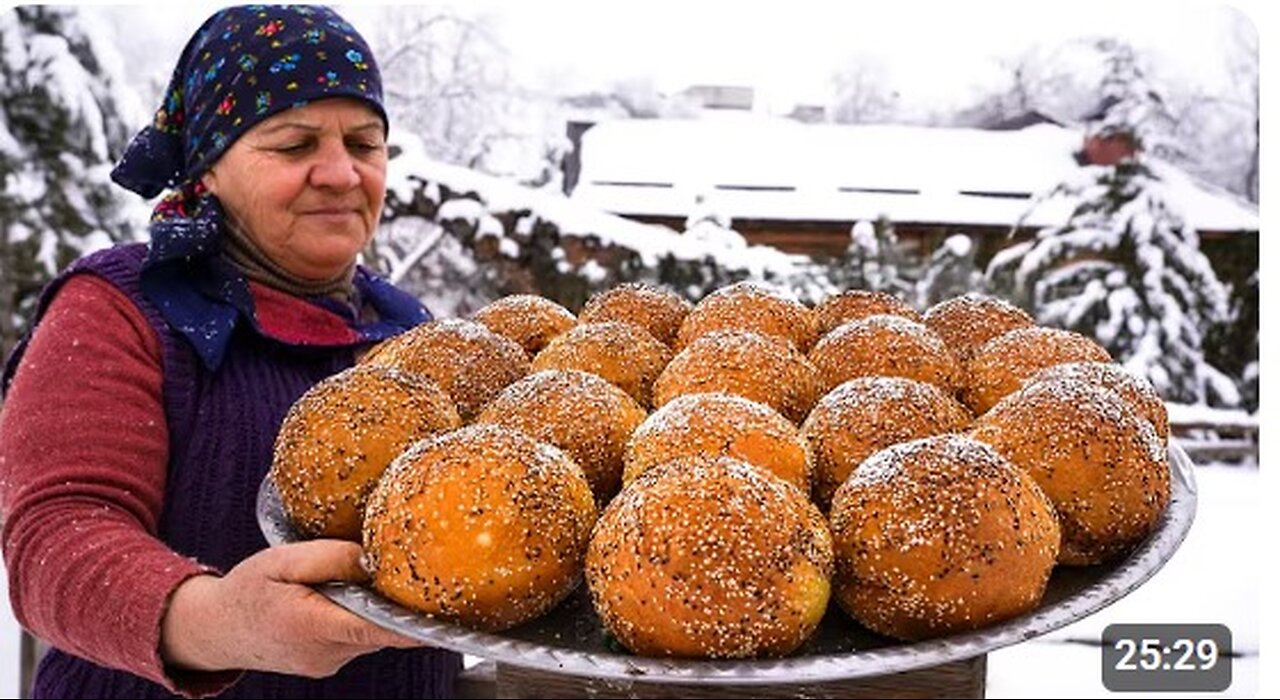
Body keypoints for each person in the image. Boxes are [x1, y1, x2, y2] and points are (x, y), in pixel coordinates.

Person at [0, 6, 461, 698]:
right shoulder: (124, 307)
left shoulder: (412, 334)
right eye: (294, 145)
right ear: (208, 169)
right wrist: (221, 623)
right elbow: (55, 538)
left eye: (365, 144)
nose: (340, 173)